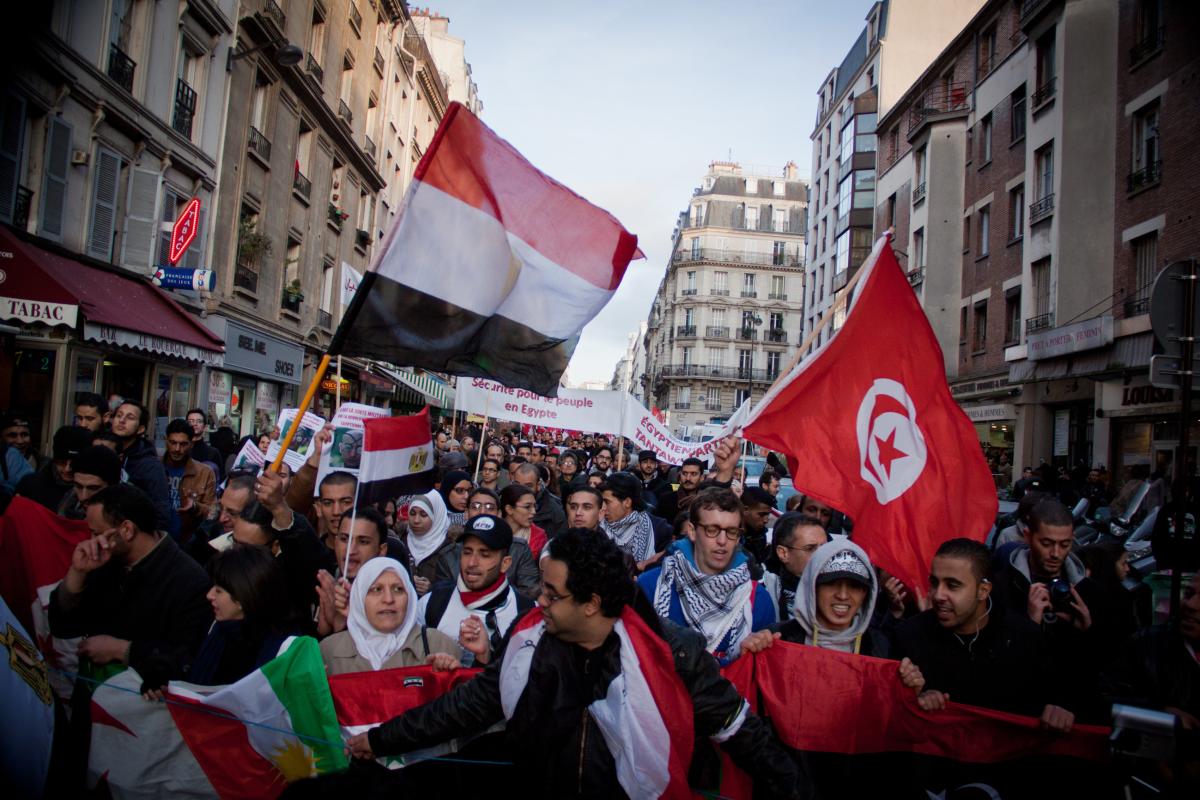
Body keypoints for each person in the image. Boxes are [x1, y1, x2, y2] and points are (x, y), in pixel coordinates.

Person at [344, 529, 803, 798]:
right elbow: (467, 706)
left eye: (551, 594)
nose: (537, 601)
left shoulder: (675, 655)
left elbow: (745, 736)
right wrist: (380, 740)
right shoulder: (530, 644)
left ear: (591, 604)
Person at [893, 538, 1080, 729]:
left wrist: (1060, 708)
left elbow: (1062, 694)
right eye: (935, 582)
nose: (938, 595)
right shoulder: (909, 637)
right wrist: (915, 698)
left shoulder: (1025, 638)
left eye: (953, 585)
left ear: (983, 590)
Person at [49, 483, 212, 692]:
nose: (91, 540)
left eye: (96, 532)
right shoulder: (104, 561)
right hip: (92, 701)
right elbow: (62, 626)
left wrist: (122, 650)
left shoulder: (191, 581)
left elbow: (185, 661)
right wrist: (77, 573)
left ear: (126, 529)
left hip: (140, 714)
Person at [638, 487, 776, 664]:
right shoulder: (651, 586)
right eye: (712, 530)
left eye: (732, 532)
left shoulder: (757, 600)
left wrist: (750, 655)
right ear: (692, 531)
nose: (722, 541)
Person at [420, 515, 534, 665]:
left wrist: (485, 658)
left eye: (484, 554)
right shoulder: (431, 603)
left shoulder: (528, 613)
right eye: (467, 552)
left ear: (505, 563)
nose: (472, 563)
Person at [232, 470, 336, 633]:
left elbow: (310, 558)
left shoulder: (287, 582)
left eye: (248, 549)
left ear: (274, 546)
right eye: (235, 543)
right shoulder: (221, 567)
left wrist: (279, 507)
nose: (238, 554)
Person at [320, 557, 460, 676]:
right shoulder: (328, 652)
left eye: (398, 589)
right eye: (376, 589)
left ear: (410, 597)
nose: (388, 599)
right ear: (360, 598)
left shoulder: (439, 645)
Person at [184, 545, 302, 686]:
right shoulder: (220, 630)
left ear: (242, 597)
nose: (209, 595)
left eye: (218, 591)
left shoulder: (282, 649)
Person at [108, 400, 172, 532]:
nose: (122, 420)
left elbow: (161, 514)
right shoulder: (103, 452)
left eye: (130, 417)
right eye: (119, 415)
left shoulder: (151, 466)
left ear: (141, 429)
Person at [761, 513, 829, 620]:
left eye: (825, 548)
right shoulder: (761, 593)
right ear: (783, 553)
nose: (821, 555)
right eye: (810, 548)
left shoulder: (839, 593)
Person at [162, 419, 216, 543]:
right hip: (155, 540)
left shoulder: (204, 473)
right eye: (173, 443)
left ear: (191, 444)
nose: (177, 449)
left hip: (186, 542)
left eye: (183, 444)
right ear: (166, 441)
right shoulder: (155, 467)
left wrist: (196, 507)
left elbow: (213, 512)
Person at [16, 425, 91, 512]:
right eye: (61, 462)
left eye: (75, 464)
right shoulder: (30, 485)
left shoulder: (97, 491)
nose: (67, 469)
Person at [599, 472, 657, 565]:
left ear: (627, 502)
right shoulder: (597, 521)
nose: (603, 507)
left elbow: (642, 564)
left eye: (607, 502)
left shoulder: (643, 524)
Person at [407, 490, 456, 596]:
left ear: (436, 516)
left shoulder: (450, 549)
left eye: (424, 514)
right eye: (412, 513)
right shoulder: (401, 542)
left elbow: (455, 589)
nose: (416, 520)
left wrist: (432, 589)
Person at [58, 444, 121, 520]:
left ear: (113, 486)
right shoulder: (66, 503)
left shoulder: (129, 517)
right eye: (79, 486)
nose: (84, 497)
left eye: (94, 488)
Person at [511, 462, 567, 538]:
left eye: (528, 486)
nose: (522, 490)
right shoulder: (503, 503)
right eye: (517, 484)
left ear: (538, 485)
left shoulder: (555, 513)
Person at [498, 484, 547, 561]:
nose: (534, 512)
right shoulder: (491, 532)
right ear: (509, 509)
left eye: (535, 506)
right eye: (527, 507)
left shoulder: (539, 536)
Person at [314, 470, 357, 548]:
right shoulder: (308, 556)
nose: (336, 512)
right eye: (328, 503)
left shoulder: (378, 556)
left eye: (346, 502)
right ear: (319, 509)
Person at [655, 457, 705, 523]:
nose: (688, 478)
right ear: (679, 475)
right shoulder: (666, 500)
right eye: (684, 473)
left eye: (693, 474)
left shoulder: (706, 501)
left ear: (702, 477)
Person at [739, 486, 776, 566]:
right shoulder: (732, 537)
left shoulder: (760, 535)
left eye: (767, 514)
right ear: (745, 510)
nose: (766, 520)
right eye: (762, 514)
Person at [184, 408, 223, 480]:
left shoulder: (213, 452)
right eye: (191, 421)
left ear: (205, 427)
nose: (194, 424)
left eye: (199, 421)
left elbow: (220, 478)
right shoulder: (180, 449)